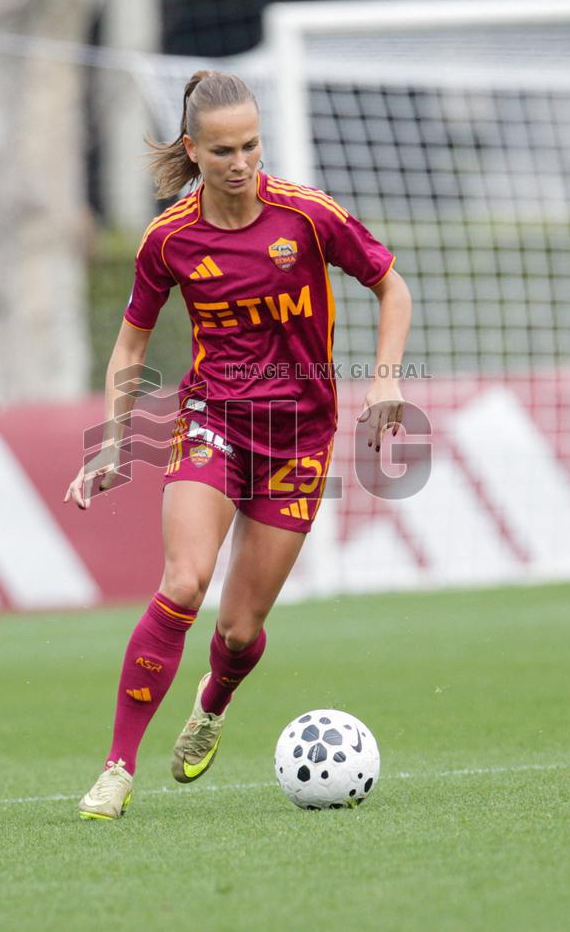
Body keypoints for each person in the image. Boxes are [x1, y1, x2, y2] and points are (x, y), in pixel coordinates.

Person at [63, 70, 412, 820]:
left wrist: (385, 384)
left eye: (251, 144)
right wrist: (112, 441)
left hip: (299, 440)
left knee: (240, 628)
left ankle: (212, 704)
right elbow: (129, 349)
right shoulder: (169, 239)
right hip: (212, 423)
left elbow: (392, 287)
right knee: (185, 582)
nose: (240, 162)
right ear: (193, 149)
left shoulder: (309, 218)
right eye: (222, 149)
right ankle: (118, 769)